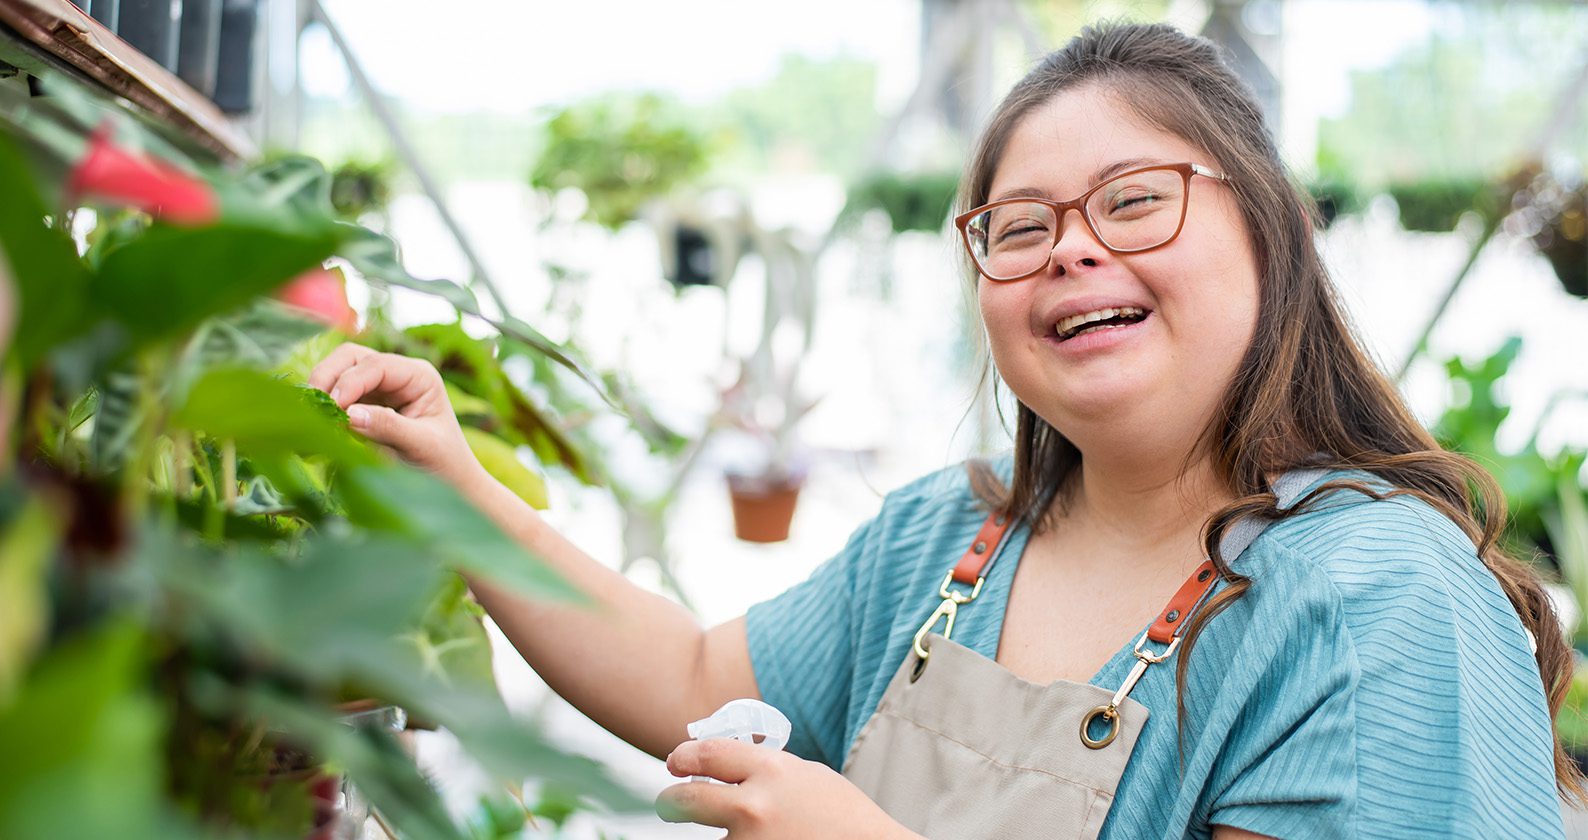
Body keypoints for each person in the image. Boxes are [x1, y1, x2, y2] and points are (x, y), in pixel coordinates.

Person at [309, 21, 1577, 839]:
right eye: (1017, 227)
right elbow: (695, 680)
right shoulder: (947, 540)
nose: (1071, 245)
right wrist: (450, 484)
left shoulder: (1374, 600)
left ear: (1272, 237)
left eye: (1133, 201)